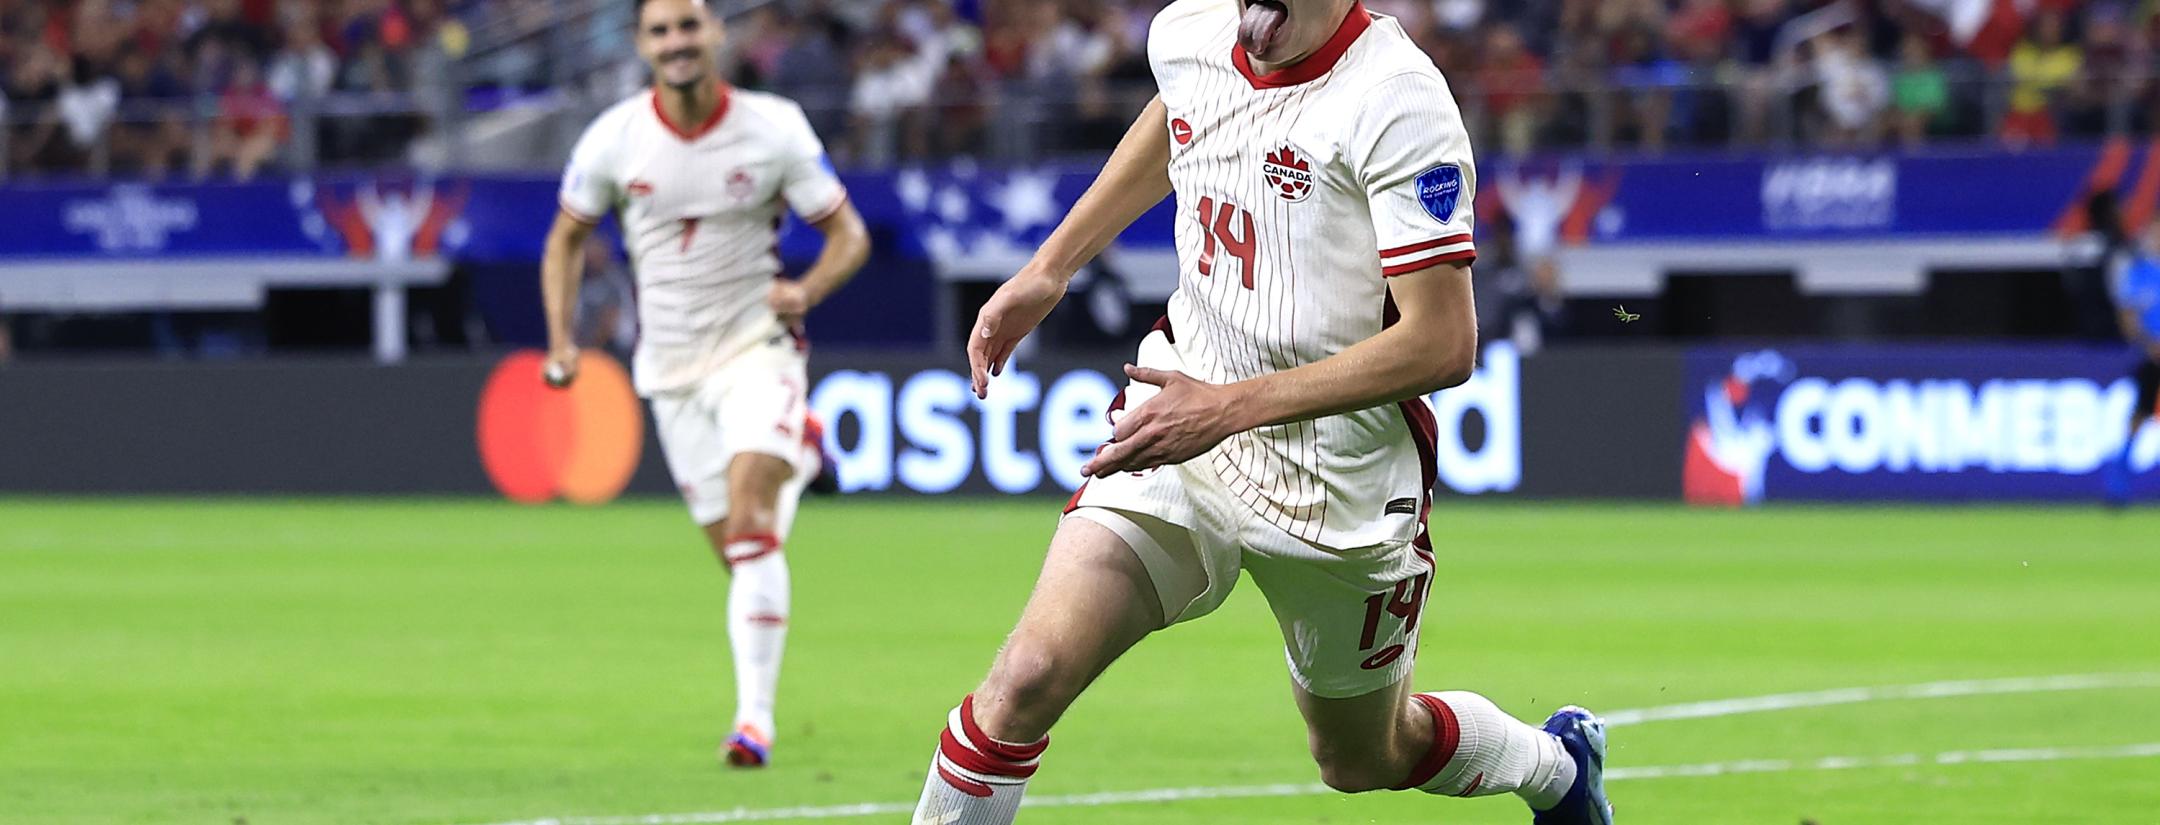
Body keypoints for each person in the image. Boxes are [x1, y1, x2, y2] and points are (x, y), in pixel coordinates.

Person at [908, 0, 1611, 822]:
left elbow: (1443, 344)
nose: (1249, 12)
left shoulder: (1398, 99)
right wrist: (1051, 267)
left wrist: (1231, 409)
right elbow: (1180, 108)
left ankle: (1556, 767)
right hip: (1185, 415)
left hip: (1336, 476)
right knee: (1025, 677)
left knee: (1362, 755)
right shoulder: (1189, 31)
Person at [536, 0, 871, 768]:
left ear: (717, 34)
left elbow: (848, 233)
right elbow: (565, 239)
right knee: (741, 557)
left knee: (754, 519)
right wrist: (560, 341)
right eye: (661, 31)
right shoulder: (614, 138)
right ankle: (809, 453)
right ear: (642, 45)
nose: (677, 42)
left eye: (689, 26)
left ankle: (754, 722)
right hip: (670, 373)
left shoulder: (775, 127)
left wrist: (807, 289)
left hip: (758, 345)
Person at [2105, 216, 2160, 508]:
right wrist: (2149, 343)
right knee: (2140, 415)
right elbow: (2128, 317)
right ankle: (2119, 480)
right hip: (2154, 357)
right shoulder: (2140, 273)